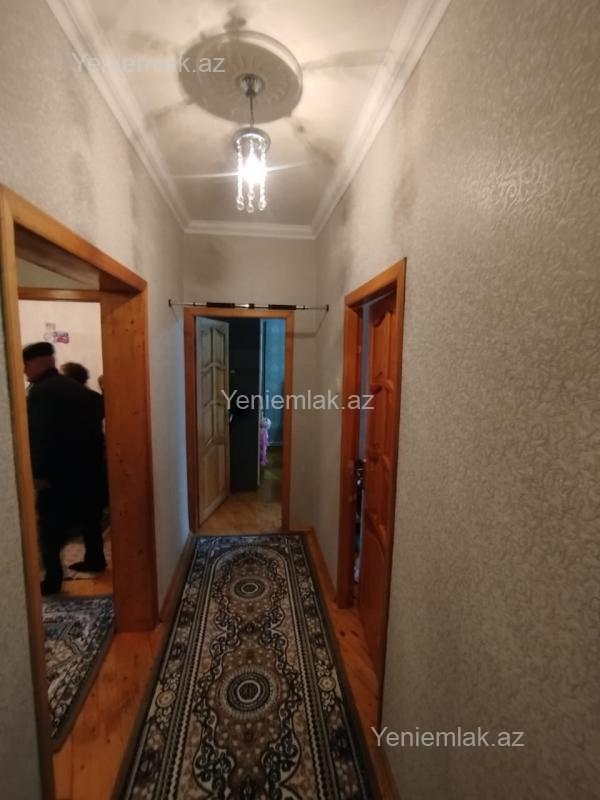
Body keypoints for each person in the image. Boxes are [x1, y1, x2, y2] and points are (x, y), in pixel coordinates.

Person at [24, 342, 106, 595]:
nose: (25, 372)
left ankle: (52, 580)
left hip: (59, 475)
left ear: (37, 363)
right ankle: (95, 559)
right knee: (90, 519)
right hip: (90, 469)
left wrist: (37, 473)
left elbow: (40, 436)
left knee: (50, 532)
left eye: (26, 366)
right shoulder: (80, 390)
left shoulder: (40, 392)